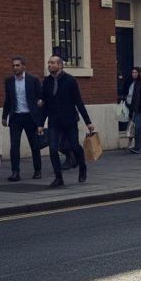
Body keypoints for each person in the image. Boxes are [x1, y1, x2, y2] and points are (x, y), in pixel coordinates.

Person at [38, 55, 94, 187]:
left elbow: (78, 102)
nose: (49, 65)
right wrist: (40, 124)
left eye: (52, 63)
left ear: (59, 65)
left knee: (74, 146)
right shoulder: (46, 82)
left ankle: (82, 167)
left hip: (69, 120)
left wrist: (88, 122)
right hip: (54, 121)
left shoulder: (70, 80)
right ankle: (59, 177)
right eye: (49, 63)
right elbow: (45, 104)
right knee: (52, 148)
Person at [2, 56, 43, 181]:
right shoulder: (9, 81)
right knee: (14, 146)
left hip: (30, 117)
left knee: (34, 145)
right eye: (13, 66)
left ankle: (37, 170)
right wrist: (4, 116)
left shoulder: (33, 80)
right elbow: (8, 100)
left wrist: (40, 117)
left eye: (17, 65)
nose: (15, 68)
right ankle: (15, 172)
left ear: (23, 66)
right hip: (15, 117)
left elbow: (40, 97)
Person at [120, 67, 139, 148]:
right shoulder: (129, 81)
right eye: (133, 72)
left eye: (136, 72)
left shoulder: (140, 83)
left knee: (134, 124)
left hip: (136, 106)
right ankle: (130, 142)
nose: (134, 74)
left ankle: (133, 142)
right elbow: (124, 91)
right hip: (128, 105)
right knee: (131, 124)